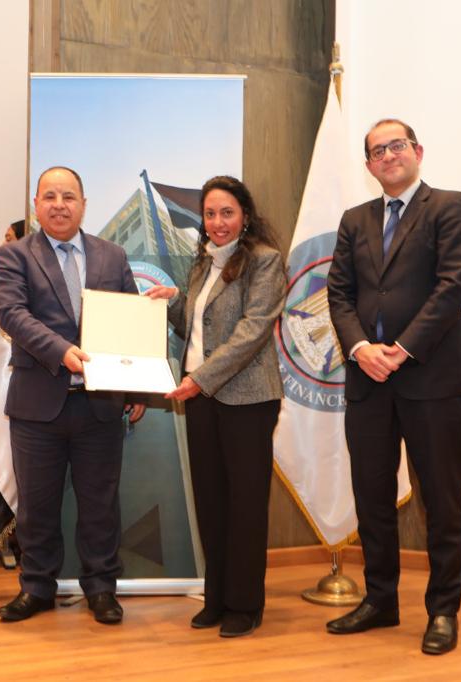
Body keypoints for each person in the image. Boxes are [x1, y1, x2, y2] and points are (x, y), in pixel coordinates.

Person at [325, 119, 461, 655]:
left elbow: (454, 286)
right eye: (377, 151)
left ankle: (443, 611)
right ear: (368, 166)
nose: (388, 155)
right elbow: (339, 294)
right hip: (368, 379)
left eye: (397, 145)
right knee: (372, 497)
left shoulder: (450, 206)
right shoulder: (355, 220)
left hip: (432, 377)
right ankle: (380, 600)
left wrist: (402, 348)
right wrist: (360, 347)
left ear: (417, 151)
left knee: (442, 501)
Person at [0, 166, 145, 625]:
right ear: (36, 204)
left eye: (69, 196)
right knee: (36, 507)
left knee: (101, 505)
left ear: (83, 204)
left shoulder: (113, 256)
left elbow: (129, 321)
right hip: (37, 405)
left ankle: (101, 589)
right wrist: (60, 351)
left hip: (100, 405)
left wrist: (136, 384)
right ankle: (36, 587)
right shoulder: (15, 255)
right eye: (50, 196)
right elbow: (10, 312)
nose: (60, 205)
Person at [145, 176, 286, 638]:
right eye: (210, 214)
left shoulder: (265, 260)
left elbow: (252, 331)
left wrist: (199, 379)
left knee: (245, 504)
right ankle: (217, 598)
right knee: (210, 500)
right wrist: (172, 303)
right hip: (203, 399)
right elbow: (197, 325)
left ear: (245, 216)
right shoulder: (201, 261)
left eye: (227, 212)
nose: (218, 222)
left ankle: (245, 605)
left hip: (247, 399)